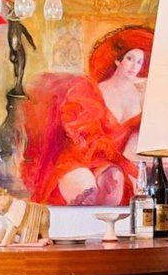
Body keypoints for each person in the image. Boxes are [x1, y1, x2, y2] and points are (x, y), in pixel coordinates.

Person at [20, 26, 152, 206]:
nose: (134, 66)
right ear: (117, 60)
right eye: (130, 59)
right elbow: (86, 138)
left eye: (139, 61)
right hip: (81, 157)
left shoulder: (140, 96)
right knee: (87, 192)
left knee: (114, 180)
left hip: (109, 163)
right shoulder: (90, 90)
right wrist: (124, 163)